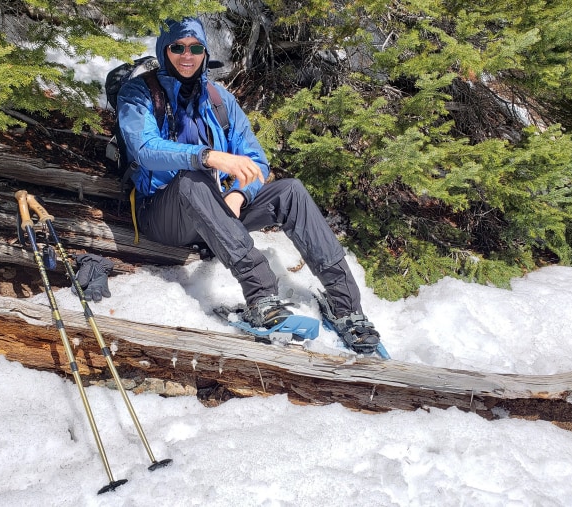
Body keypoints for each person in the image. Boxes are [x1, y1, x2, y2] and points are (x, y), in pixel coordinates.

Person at [116, 17, 380, 353]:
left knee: (291, 192)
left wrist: (240, 193)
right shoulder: (139, 94)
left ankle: (347, 308)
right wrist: (208, 157)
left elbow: (256, 161)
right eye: (178, 47)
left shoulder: (217, 98)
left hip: (217, 211)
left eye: (196, 48)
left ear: (204, 51)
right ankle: (262, 297)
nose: (187, 55)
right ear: (164, 49)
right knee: (190, 180)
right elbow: (145, 149)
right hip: (165, 216)